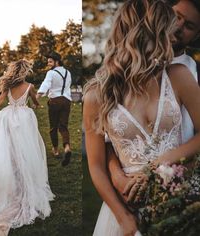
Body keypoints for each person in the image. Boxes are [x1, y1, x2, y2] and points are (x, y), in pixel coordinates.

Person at [83, 1, 200, 236]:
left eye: (187, 25)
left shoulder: (179, 76)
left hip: (178, 200)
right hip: (123, 206)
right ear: (149, 32)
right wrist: (123, 217)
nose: (176, 31)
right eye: (171, 23)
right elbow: (95, 164)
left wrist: (159, 165)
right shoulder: (96, 95)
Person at [108, 0, 200, 204]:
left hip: (183, 191)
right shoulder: (117, 76)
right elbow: (110, 138)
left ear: (196, 35)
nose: (177, 26)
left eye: (189, 26)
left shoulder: (191, 75)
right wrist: (117, 177)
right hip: (130, 191)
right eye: (176, 16)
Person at [0, 59, 55, 236]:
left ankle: (13, 175)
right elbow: (34, 103)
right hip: (24, 119)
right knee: (25, 148)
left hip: (8, 118)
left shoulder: (8, 87)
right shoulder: (30, 87)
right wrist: (38, 105)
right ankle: (23, 178)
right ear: (24, 71)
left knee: (9, 148)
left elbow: (1, 100)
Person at [37, 52, 72, 166]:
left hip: (55, 101)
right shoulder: (68, 72)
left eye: (50, 62)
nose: (48, 64)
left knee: (53, 127)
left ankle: (56, 150)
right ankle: (67, 147)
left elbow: (45, 85)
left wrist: (36, 97)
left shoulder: (51, 73)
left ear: (57, 61)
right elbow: (68, 86)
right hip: (66, 101)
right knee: (63, 126)